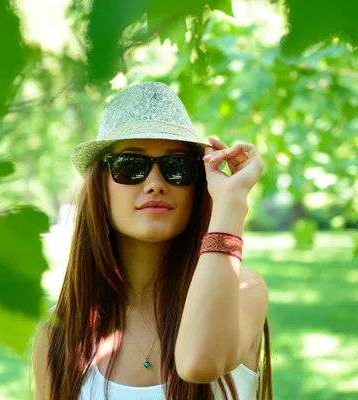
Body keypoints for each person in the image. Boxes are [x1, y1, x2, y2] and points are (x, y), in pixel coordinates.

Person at [31, 81, 272, 400]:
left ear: (197, 186)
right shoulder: (58, 334)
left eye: (176, 168)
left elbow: (199, 364)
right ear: (99, 187)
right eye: (131, 166)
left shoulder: (243, 290)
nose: (156, 183)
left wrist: (231, 202)